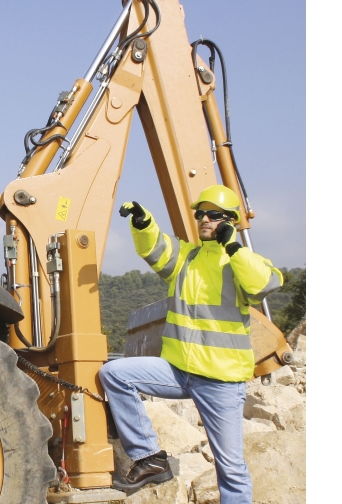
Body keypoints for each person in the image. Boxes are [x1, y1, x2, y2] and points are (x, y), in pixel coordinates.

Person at [99, 185, 283, 503]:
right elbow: (157, 250)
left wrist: (233, 247)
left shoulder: (242, 261)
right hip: (179, 370)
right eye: (200, 214)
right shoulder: (188, 258)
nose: (204, 219)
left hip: (220, 381)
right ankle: (150, 457)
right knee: (115, 374)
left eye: (213, 215)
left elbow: (262, 285)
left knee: (231, 468)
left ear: (231, 220)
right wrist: (143, 224)